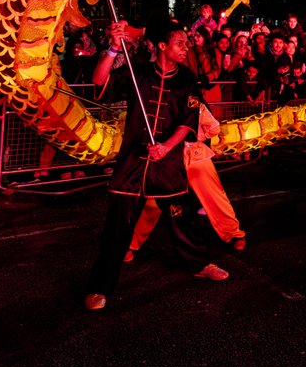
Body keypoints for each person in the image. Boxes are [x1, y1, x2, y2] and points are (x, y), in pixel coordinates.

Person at [83, 19, 229, 312]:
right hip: (133, 164)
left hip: (168, 163)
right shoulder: (139, 72)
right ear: (162, 45)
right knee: (116, 228)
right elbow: (100, 82)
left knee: (181, 216)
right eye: (179, 43)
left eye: (185, 43)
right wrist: (112, 49)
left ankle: (199, 264)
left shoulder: (187, 78)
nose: (185, 47)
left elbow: (188, 124)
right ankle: (100, 286)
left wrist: (165, 147)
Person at [124, 85, 247, 257]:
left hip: (195, 156)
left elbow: (214, 128)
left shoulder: (195, 106)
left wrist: (196, 136)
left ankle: (233, 234)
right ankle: (131, 244)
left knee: (214, 195)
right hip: (167, 160)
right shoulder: (158, 108)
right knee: (153, 202)